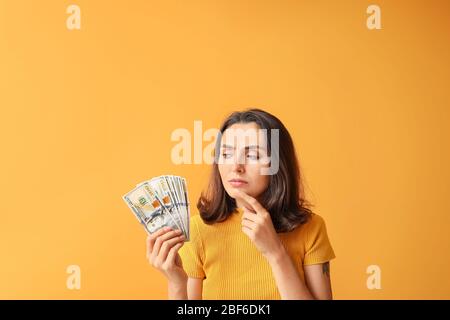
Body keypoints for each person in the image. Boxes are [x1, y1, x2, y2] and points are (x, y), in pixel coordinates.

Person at [146, 108, 336, 299]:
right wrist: (177, 283)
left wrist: (276, 253)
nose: (236, 167)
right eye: (226, 154)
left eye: (252, 155)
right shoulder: (197, 230)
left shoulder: (311, 228)